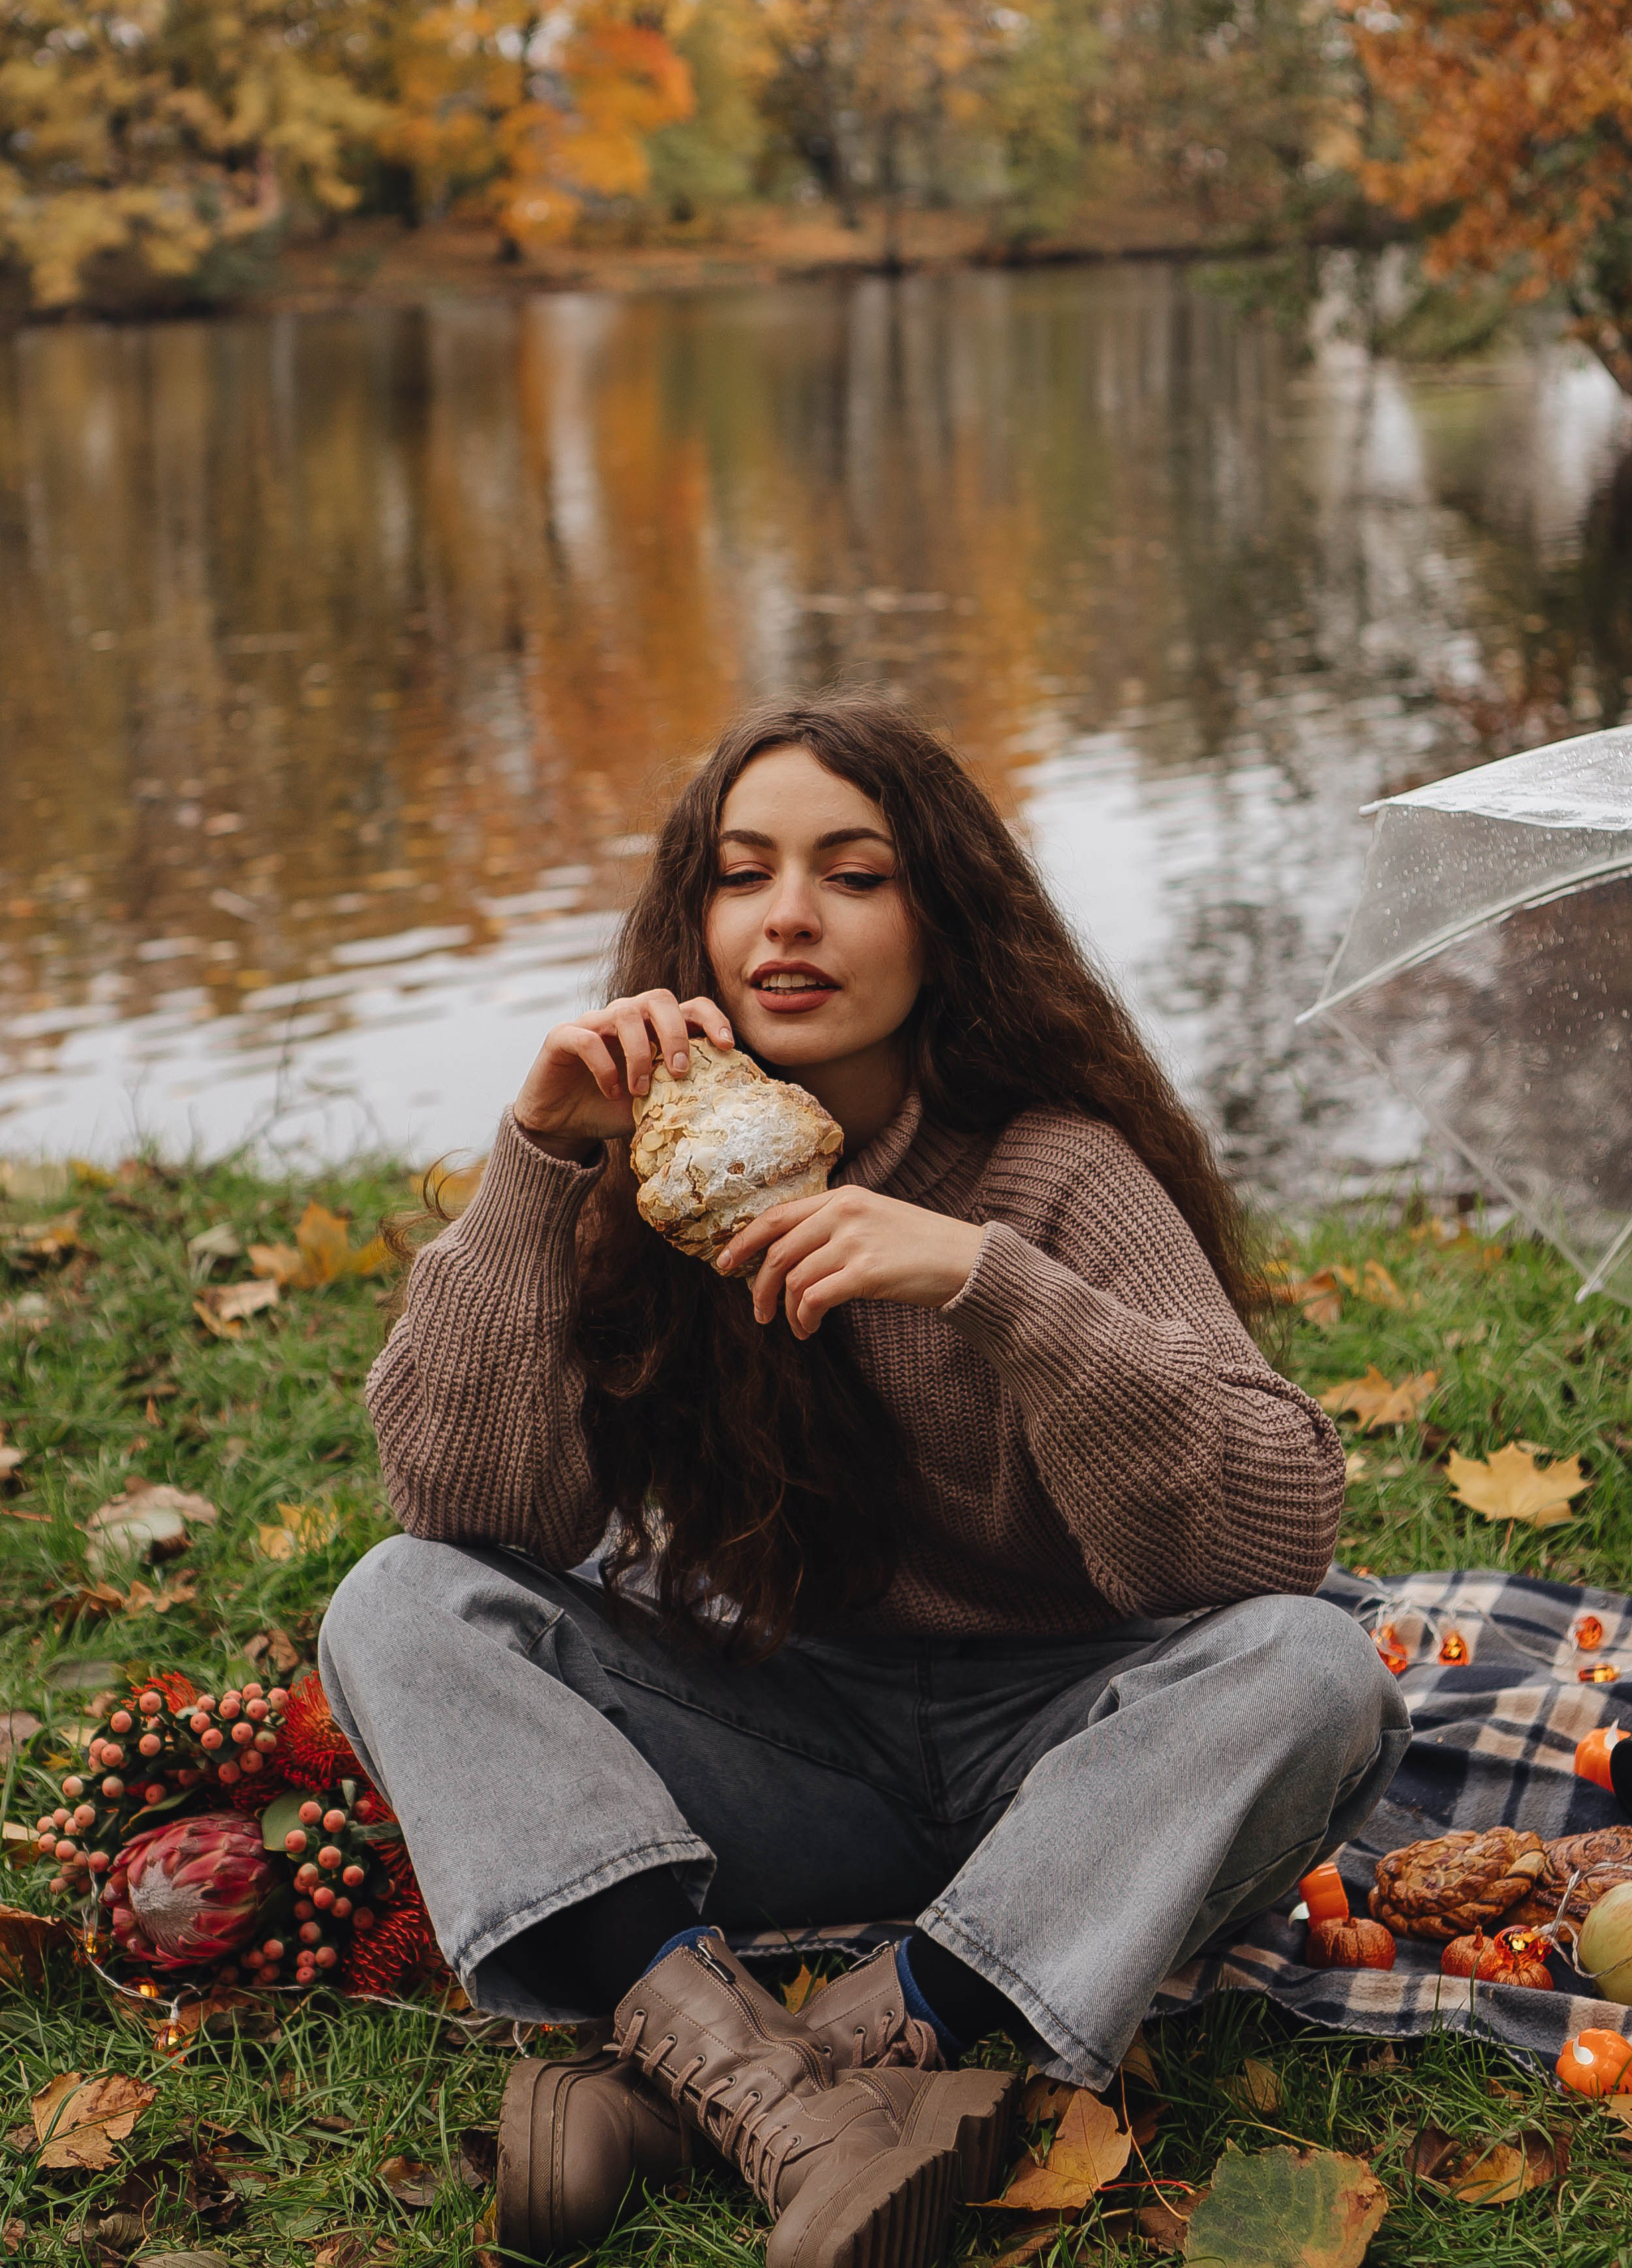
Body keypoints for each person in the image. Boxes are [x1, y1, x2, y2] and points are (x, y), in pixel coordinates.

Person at [320, 693, 1408, 2268]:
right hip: (785, 1742)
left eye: (853, 873)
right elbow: (470, 1511)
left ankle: (846, 2047)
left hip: (1073, 1758)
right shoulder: (635, 1173)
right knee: (396, 1602)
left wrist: (992, 1286)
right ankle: (767, 2080)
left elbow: (1271, 1530)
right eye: (743, 872)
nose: (787, 919)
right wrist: (535, 1164)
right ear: (691, 918)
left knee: (1315, 1671)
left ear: (941, 918)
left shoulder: (1052, 1170)